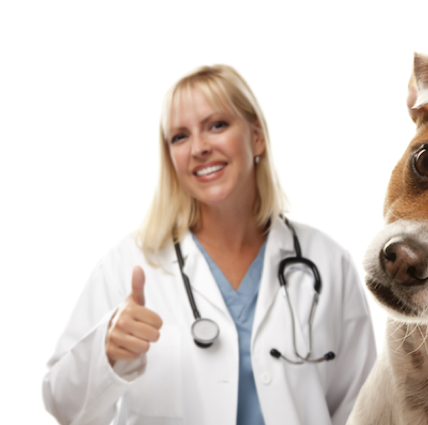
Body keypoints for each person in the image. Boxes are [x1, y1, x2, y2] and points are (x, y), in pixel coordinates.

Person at [42, 65, 376, 425]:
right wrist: (106, 353)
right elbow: (62, 405)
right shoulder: (129, 264)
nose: (199, 148)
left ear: (257, 136)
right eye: (180, 137)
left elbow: (365, 408)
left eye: (216, 125)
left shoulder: (326, 262)